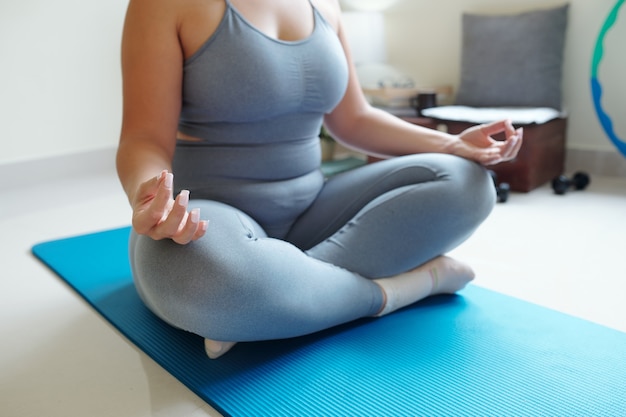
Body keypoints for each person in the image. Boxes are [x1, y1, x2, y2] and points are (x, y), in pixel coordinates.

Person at [116, 0, 523, 359]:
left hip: (315, 210)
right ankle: (407, 287)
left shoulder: (326, 3)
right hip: (209, 223)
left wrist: (452, 144)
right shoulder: (163, 3)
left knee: (468, 182)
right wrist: (150, 196)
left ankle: (269, 302)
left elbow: (354, 120)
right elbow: (144, 138)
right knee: (206, 280)